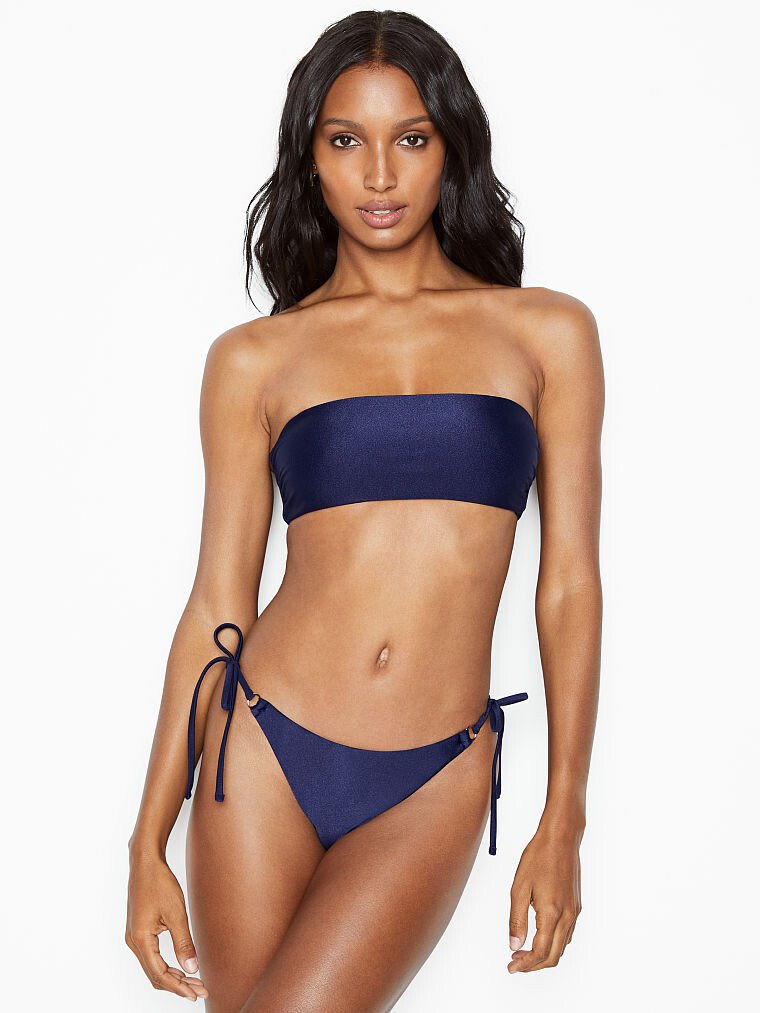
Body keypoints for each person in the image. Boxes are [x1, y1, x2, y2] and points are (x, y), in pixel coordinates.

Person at [125, 10, 603, 1010]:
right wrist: (146, 837)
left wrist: (565, 813)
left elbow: (568, 585)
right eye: (346, 140)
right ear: (310, 157)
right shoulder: (255, 358)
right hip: (260, 744)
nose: (379, 176)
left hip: (434, 772)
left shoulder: (546, 334)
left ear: (450, 147)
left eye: (410, 139)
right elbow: (216, 599)